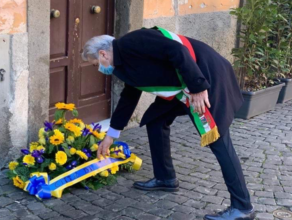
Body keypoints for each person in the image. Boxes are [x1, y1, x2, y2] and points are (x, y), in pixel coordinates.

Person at [81, 27, 255, 220]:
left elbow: (177, 51)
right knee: (155, 120)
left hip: (204, 76)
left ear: (103, 53)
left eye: (96, 63)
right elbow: (129, 97)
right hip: (184, 84)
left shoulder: (132, 42)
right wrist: (111, 134)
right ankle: (165, 178)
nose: (99, 68)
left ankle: (242, 207)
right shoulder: (122, 64)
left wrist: (198, 87)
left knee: (219, 141)